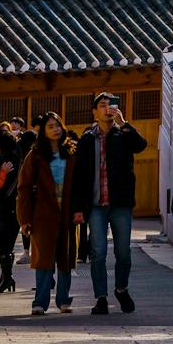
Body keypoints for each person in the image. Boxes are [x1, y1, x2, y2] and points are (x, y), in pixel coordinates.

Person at [73, 93, 148, 315]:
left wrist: (125, 123)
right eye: (102, 106)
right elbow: (79, 175)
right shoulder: (86, 140)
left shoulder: (123, 135)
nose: (107, 109)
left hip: (120, 204)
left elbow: (141, 146)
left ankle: (121, 289)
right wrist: (78, 208)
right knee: (98, 252)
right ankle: (101, 297)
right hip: (95, 205)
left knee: (123, 252)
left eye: (110, 106)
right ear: (94, 112)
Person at [16, 112, 78, 314]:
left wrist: (79, 210)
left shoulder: (71, 151)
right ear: (43, 131)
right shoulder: (35, 155)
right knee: (43, 260)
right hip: (42, 215)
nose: (55, 129)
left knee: (66, 259)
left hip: (67, 213)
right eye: (50, 126)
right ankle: (40, 302)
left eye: (57, 125)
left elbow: (81, 184)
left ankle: (64, 299)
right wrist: (24, 219)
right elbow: (24, 188)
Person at [0, 128, 21, 294]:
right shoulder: (17, 158)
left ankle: (6, 279)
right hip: (14, 208)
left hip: (3, 209)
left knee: (3, 245)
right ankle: (7, 278)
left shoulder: (1, 161)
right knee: (7, 246)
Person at [14, 127, 37, 264]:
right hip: (38, 197)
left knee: (26, 225)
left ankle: (27, 252)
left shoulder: (24, 155)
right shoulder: (36, 154)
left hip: (26, 196)